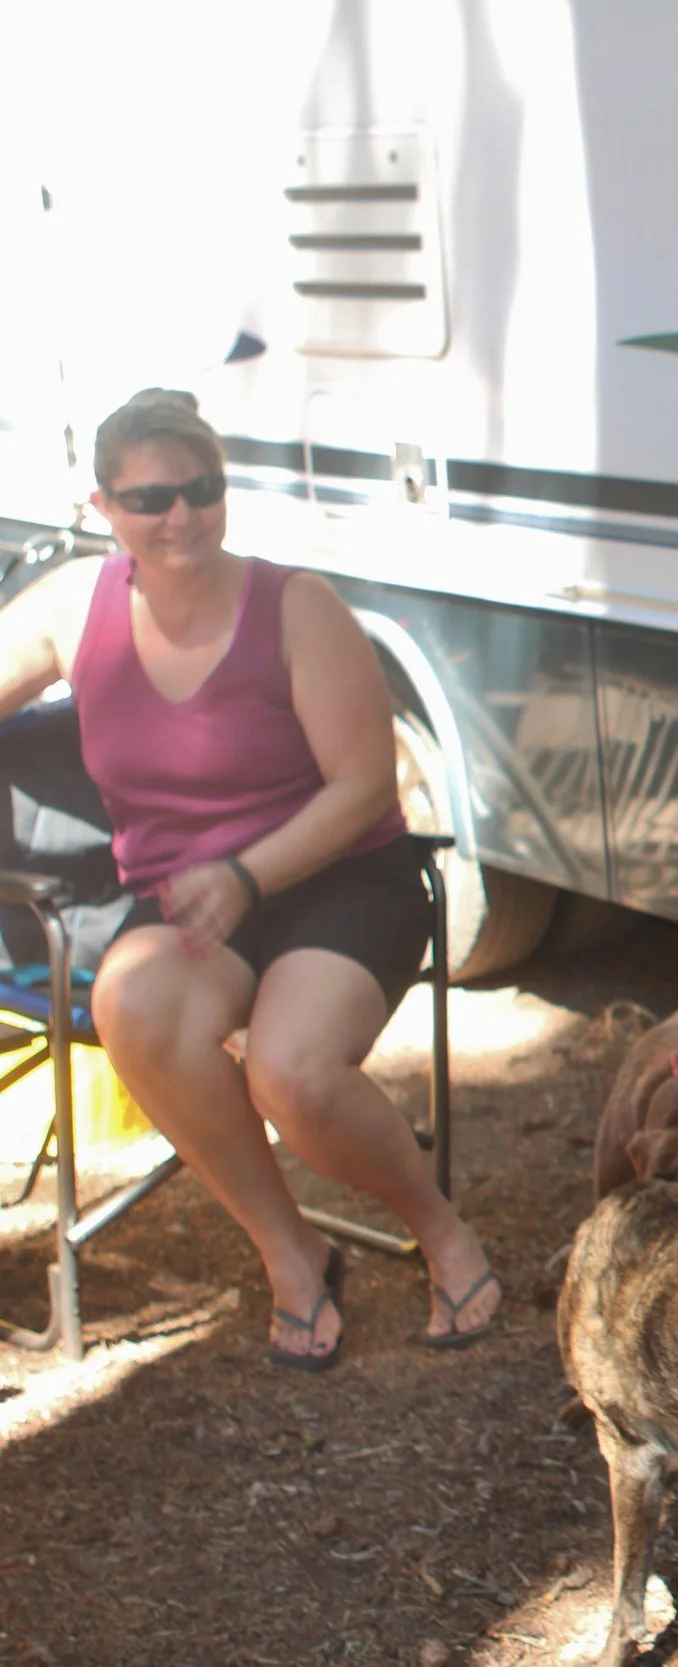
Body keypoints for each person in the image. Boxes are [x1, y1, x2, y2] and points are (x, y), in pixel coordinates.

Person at [0, 389, 500, 1370]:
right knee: (133, 1002)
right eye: (150, 499)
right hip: (193, 899)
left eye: (202, 489)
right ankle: (293, 1252)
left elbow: (364, 788)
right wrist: (221, 883)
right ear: (102, 507)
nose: (180, 515)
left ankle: (442, 1233)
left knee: (290, 1072)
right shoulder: (71, 605)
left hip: (342, 877)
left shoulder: (295, 606)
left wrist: (244, 874)